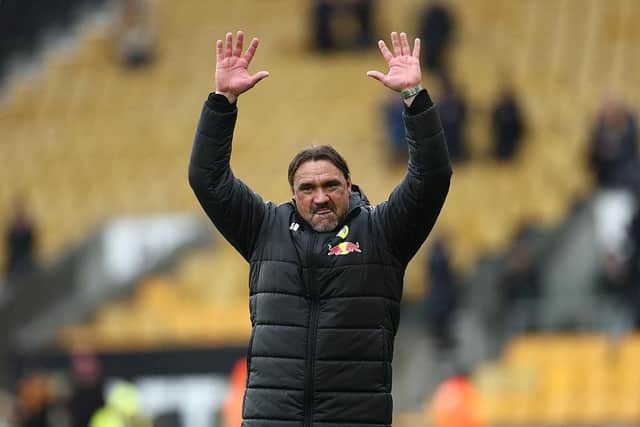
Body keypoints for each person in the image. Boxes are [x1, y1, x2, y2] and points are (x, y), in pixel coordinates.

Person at [188, 30, 451, 427]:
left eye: (331, 185)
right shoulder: (264, 229)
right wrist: (222, 102)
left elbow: (431, 177)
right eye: (307, 189)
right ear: (293, 194)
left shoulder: (382, 234)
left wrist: (414, 98)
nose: (320, 197)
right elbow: (207, 178)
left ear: (350, 186)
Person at [491, 83, 525, 161]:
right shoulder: (499, 110)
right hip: (501, 145)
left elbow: (519, 128)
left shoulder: (514, 110)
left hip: (510, 146)